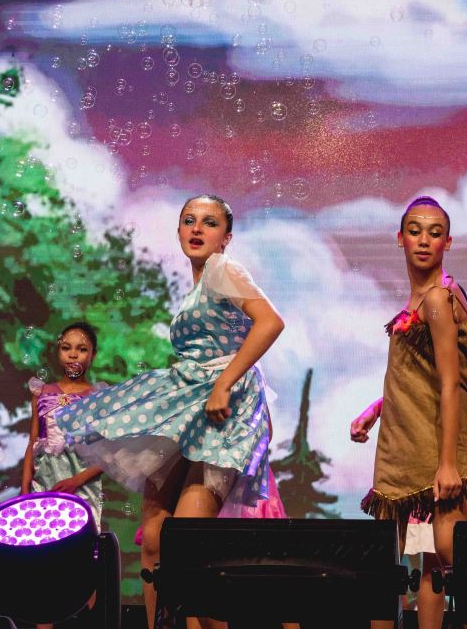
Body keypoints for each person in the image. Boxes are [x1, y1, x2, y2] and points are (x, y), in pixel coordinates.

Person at [56, 195, 284, 629]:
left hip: (221, 412)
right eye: (189, 220)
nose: (197, 229)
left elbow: (270, 322)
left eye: (210, 223)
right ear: (179, 230)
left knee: (187, 542)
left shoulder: (222, 269)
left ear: (226, 237)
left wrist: (224, 384)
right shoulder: (201, 283)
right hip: (191, 406)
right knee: (156, 540)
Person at [360, 196, 467, 629]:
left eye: (434, 232)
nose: (424, 240)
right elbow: (416, 376)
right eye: (415, 231)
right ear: (400, 238)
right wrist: (376, 409)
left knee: (449, 554)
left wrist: (447, 463)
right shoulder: (419, 300)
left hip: (433, 445)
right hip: (403, 442)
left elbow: (451, 382)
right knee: (395, 559)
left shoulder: (439, 299)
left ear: (448, 242)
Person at [353, 336, 467, 629]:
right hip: (438, 463)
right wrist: (374, 410)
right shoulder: (425, 356)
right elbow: (410, 396)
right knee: (432, 564)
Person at [22, 322, 105, 518]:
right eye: (66, 348)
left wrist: (76, 481)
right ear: (58, 351)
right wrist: (25, 488)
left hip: (83, 490)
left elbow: (107, 455)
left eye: (82, 349)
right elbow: (33, 442)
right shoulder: (41, 392)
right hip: (44, 485)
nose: (73, 354)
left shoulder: (99, 397)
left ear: (93, 355)